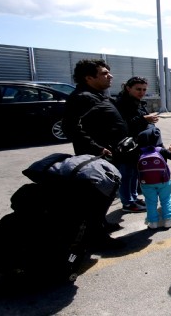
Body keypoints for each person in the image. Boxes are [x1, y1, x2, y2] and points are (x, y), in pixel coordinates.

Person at [62, 58, 129, 249]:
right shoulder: (82, 97)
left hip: (108, 153)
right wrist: (96, 148)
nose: (110, 76)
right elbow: (70, 127)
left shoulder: (97, 94)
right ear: (89, 77)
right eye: (104, 73)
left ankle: (102, 224)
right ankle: (96, 237)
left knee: (106, 193)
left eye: (109, 72)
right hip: (96, 157)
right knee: (96, 196)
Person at [114, 77, 161, 213]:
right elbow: (122, 124)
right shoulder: (121, 103)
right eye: (138, 89)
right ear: (128, 88)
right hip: (126, 144)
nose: (142, 92)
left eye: (144, 89)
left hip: (137, 143)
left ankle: (133, 197)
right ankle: (127, 203)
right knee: (127, 174)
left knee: (134, 172)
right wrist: (143, 119)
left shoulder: (136, 101)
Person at [136, 127, 171, 229]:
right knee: (166, 200)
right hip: (163, 181)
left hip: (146, 182)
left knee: (150, 201)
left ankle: (152, 223)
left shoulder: (138, 152)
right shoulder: (161, 150)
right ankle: (168, 220)